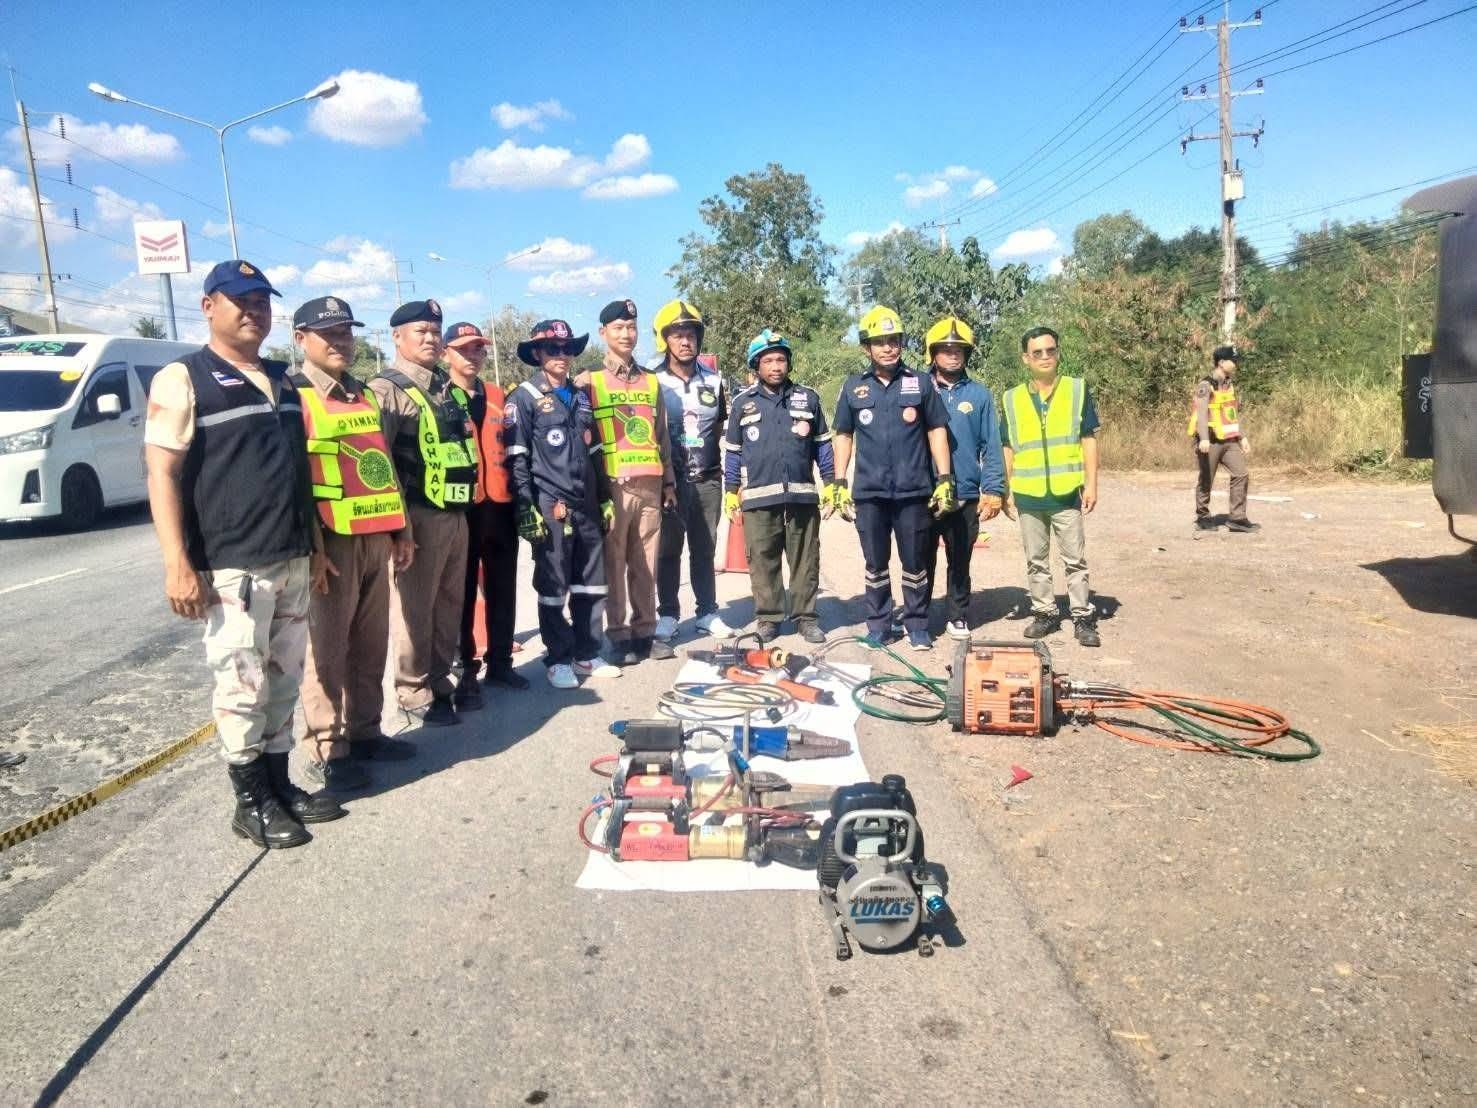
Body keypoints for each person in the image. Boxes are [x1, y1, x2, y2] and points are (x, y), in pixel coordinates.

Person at [144, 260, 343, 848]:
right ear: (209, 306)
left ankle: (280, 786)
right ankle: (250, 802)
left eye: (262, 302)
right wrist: (177, 564)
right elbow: (162, 473)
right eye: (241, 301)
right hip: (233, 564)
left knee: (283, 682)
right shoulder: (183, 377)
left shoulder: (283, 380)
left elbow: (299, 473)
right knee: (241, 686)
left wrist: (316, 547)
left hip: (292, 557)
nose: (254, 311)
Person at [291, 296, 414, 794]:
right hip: (331, 543)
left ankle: (365, 732)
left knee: (369, 642)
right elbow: (294, 480)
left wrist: (401, 527)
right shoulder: (294, 395)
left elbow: (382, 464)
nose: (341, 342)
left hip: (374, 535)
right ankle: (327, 749)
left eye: (346, 332)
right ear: (301, 339)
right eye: (330, 334)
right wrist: (312, 547)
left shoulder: (362, 393)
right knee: (326, 650)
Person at [369, 300, 479, 727]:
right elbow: (382, 466)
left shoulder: (443, 387)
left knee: (448, 605)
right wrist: (400, 528)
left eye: (436, 331)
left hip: (454, 513)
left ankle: (439, 679)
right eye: (422, 331)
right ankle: (413, 691)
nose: (431, 338)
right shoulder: (386, 390)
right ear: (397, 337)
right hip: (417, 516)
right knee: (415, 609)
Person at [830, 306, 957, 651]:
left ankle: (917, 625)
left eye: (894, 341)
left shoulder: (921, 383)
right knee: (875, 565)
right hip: (869, 493)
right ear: (866, 347)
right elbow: (844, 435)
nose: (888, 348)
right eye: (880, 342)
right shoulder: (853, 387)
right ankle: (879, 626)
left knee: (915, 563)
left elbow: (936, 430)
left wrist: (945, 477)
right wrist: (839, 483)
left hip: (913, 491)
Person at [506, 320, 621, 689]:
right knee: (554, 586)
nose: (562, 355)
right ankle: (557, 659)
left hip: (587, 504)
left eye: (567, 348)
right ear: (538, 353)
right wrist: (525, 506)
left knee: (591, 584)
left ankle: (587, 652)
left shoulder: (581, 396)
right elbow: (517, 458)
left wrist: (604, 497)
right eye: (553, 349)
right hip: (551, 505)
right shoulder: (523, 398)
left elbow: (596, 451)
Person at [577, 299, 677, 666]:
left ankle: (646, 631)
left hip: (650, 485)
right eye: (618, 328)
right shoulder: (588, 381)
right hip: (613, 488)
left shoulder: (651, 380)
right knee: (614, 562)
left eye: (632, 327)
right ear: (603, 332)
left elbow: (661, 435)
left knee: (646, 562)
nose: (626, 334)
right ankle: (618, 635)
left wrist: (669, 483)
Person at [441, 320, 530, 712]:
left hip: (500, 504)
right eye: (464, 349)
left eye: (478, 348)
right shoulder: (438, 395)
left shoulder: (497, 394)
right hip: (462, 507)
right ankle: (465, 671)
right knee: (461, 593)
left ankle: (501, 663)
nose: (472, 356)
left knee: (503, 587)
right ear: (446, 353)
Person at [724, 329, 835, 644]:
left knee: (805, 560)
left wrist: (830, 483)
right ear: (756, 365)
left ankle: (806, 618)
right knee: (762, 560)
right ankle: (769, 618)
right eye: (768, 361)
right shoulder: (742, 404)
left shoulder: (808, 398)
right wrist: (730, 491)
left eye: (781, 360)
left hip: (802, 497)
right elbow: (733, 452)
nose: (776, 366)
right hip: (759, 500)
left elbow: (822, 445)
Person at [1001, 326, 1102, 647]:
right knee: (1036, 560)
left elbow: (1088, 439)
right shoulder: (1012, 398)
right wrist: (1005, 490)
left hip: (1066, 492)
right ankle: (1044, 612)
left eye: (1050, 350)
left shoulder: (1077, 390)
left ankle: (1082, 616)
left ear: (1058, 353)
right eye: (1037, 352)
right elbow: (1007, 446)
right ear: (1026, 358)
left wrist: (1091, 484)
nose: (1045, 357)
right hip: (1028, 495)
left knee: (1075, 560)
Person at [652, 300, 733, 643]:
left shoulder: (714, 381)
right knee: (668, 551)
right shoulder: (651, 381)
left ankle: (707, 612)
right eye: (677, 335)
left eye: (691, 334)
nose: (686, 341)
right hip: (667, 483)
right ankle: (668, 614)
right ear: (664, 340)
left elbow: (717, 427)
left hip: (708, 479)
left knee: (704, 549)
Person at [924, 316, 1006, 639]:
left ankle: (957, 614)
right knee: (921, 559)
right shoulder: (917, 388)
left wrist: (994, 488)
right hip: (925, 491)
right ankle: (919, 615)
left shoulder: (980, 395)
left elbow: (991, 444)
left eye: (959, 350)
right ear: (933, 353)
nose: (952, 355)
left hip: (966, 492)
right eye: (945, 349)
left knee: (960, 558)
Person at [1191, 345, 1259, 533]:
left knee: (1241, 474)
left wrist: (1242, 437)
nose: (1236, 364)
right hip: (1211, 441)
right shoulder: (1205, 385)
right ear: (1221, 362)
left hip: (1229, 441)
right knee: (1206, 479)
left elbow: (1231, 414)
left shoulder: (1229, 385)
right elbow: (1201, 414)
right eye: (1233, 360)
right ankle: (1203, 517)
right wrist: (1203, 438)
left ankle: (1237, 518)